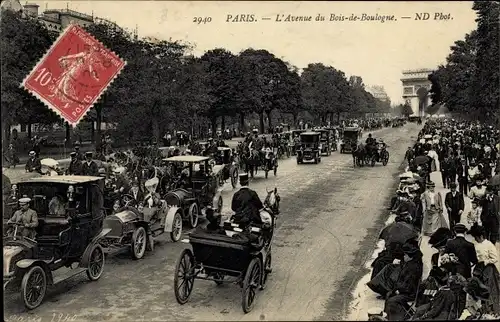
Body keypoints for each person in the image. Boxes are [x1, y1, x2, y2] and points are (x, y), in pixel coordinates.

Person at [383, 242, 424, 320]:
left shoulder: (412, 268)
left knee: (392, 300)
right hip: (406, 290)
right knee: (389, 294)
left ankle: (394, 318)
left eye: (405, 255)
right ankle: (388, 316)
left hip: (410, 293)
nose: (404, 256)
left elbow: (409, 285)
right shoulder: (409, 264)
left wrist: (399, 290)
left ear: (410, 257)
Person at [444, 223, 478, 315]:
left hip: (454, 272)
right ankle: (460, 314)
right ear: (465, 232)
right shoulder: (469, 245)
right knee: (462, 295)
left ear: (455, 231)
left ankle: (453, 314)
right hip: (465, 273)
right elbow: (474, 260)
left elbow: (445, 257)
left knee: (453, 293)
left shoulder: (450, 243)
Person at [467, 225, 500, 315]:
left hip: (488, 270)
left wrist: (485, 261)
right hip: (478, 269)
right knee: (478, 289)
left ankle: (491, 310)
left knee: (488, 289)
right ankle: (482, 309)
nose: (475, 239)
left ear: (481, 236)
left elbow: (495, 258)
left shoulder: (489, 244)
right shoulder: (474, 244)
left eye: (476, 237)